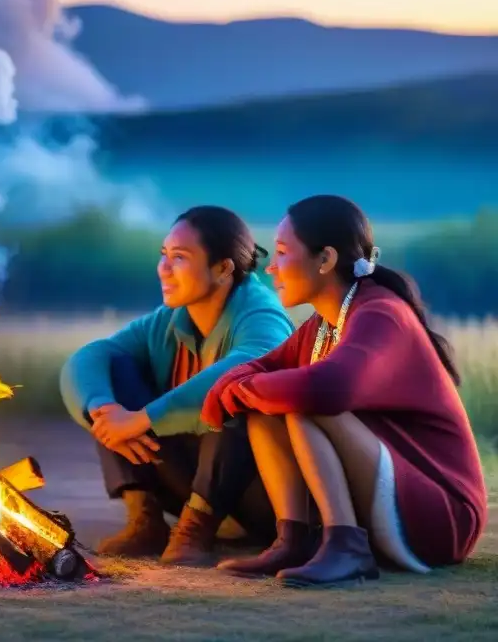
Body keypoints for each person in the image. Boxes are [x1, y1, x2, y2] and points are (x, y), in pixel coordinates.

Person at [201, 195, 488, 587]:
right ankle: (294, 541)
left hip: (441, 515)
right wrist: (230, 388)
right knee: (273, 400)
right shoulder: (322, 324)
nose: (271, 267)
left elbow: (329, 389)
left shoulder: (382, 313)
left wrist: (240, 390)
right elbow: (264, 367)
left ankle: (346, 548)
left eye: (283, 252)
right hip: (392, 493)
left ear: (325, 260)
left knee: (303, 401)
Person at [60, 206, 294, 565]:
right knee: (114, 372)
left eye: (180, 258)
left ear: (223, 268)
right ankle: (145, 518)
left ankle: (195, 532)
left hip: (260, 493)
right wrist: (101, 408)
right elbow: (91, 356)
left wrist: (141, 419)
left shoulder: (261, 315)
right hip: (188, 476)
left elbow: (246, 368)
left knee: (236, 396)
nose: (164, 269)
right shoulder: (170, 319)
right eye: (163, 256)